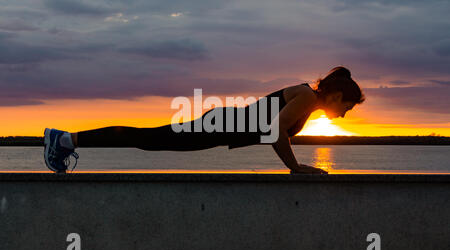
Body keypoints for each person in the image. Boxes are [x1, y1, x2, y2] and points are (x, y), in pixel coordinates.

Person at [43, 66, 365, 174]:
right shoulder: (308, 97)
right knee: (146, 139)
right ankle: (63, 139)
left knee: (148, 140)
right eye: (348, 107)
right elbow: (275, 130)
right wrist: (294, 168)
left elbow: (275, 128)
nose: (346, 113)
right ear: (337, 96)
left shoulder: (306, 100)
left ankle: (64, 140)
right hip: (220, 126)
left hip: (221, 126)